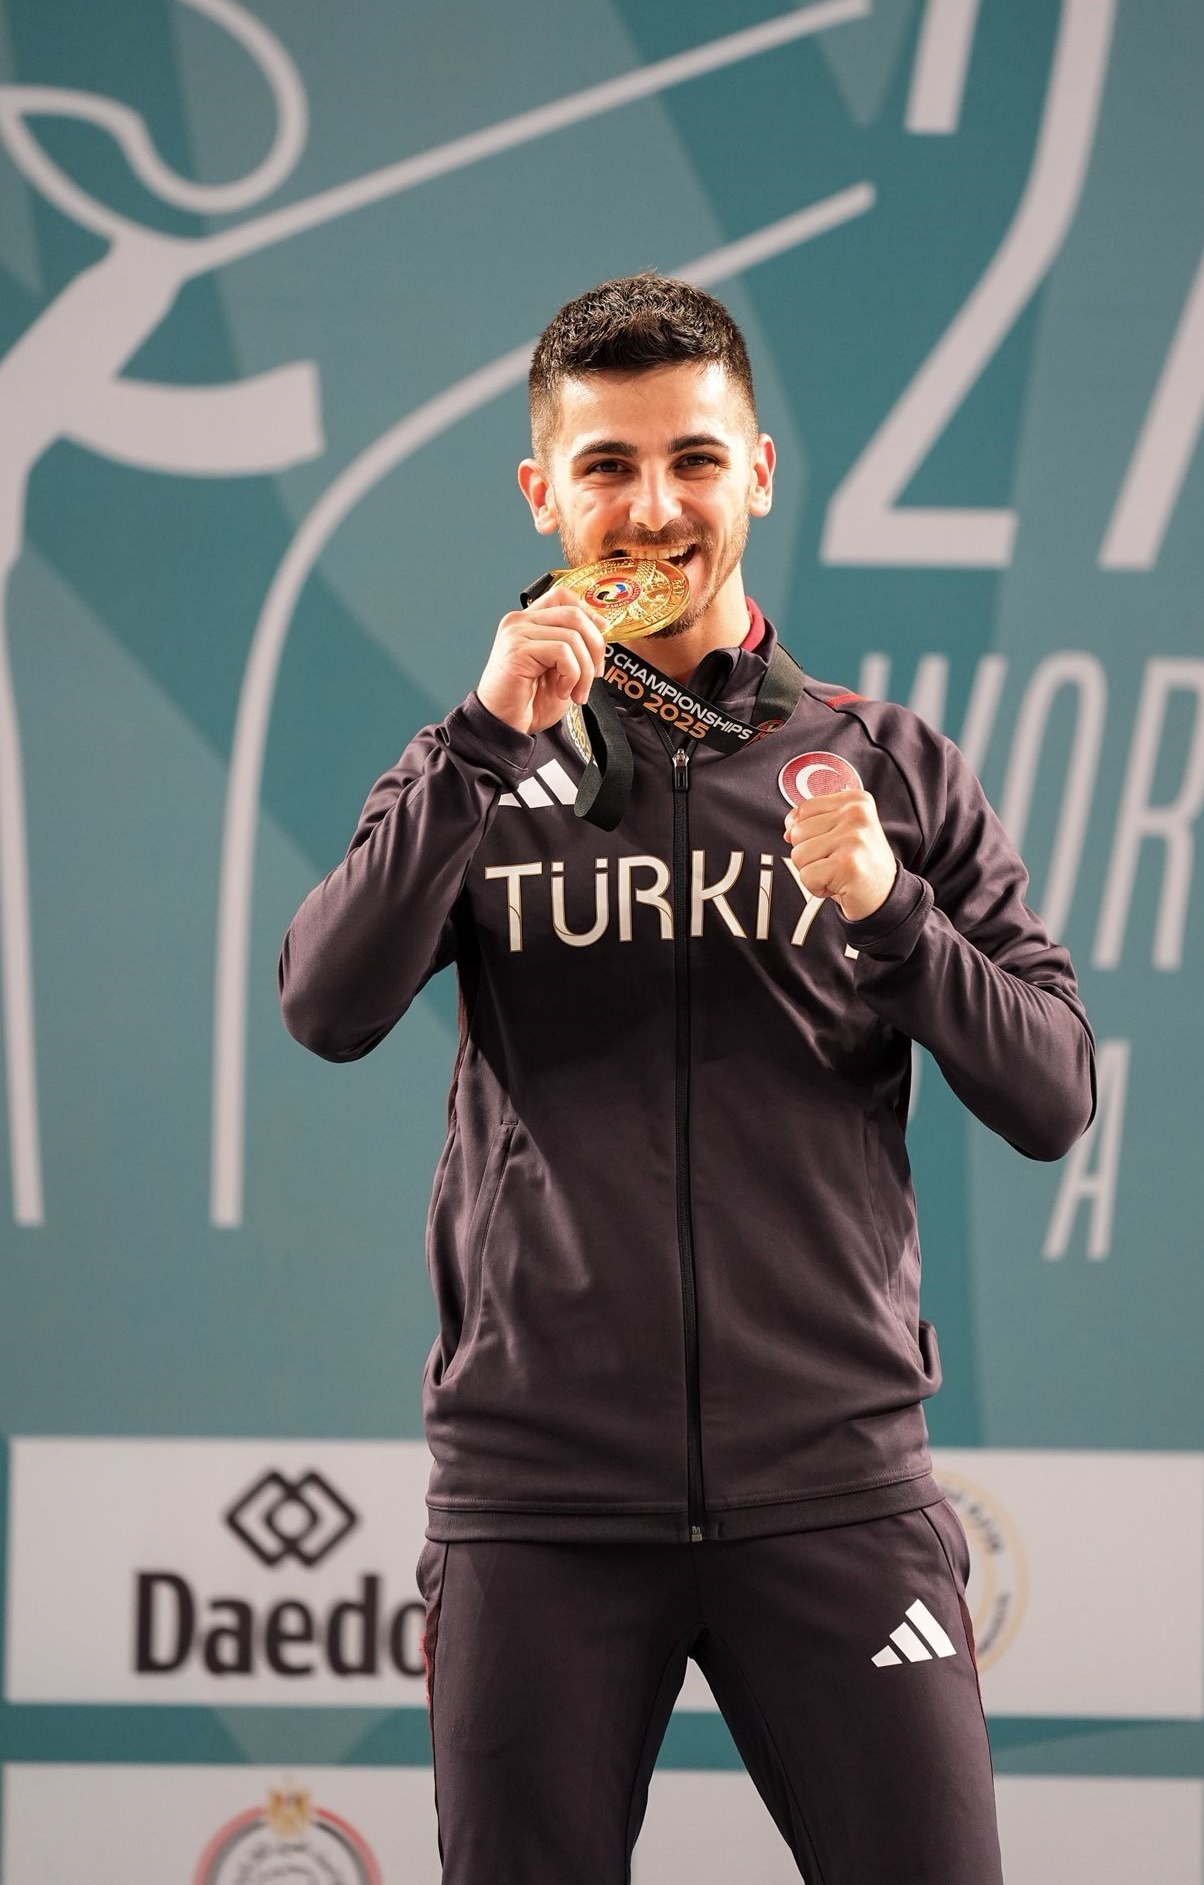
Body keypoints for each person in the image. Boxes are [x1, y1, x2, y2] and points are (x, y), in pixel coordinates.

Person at [278, 272, 1097, 1884]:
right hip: (540, 1504)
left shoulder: (887, 766)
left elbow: (1053, 1091)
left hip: (834, 1486)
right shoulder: (469, 766)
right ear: (543, 493)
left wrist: (892, 916)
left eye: (694, 461)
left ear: (759, 475)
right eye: (607, 467)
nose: (653, 511)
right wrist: (479, 746)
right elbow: (326, 1005)